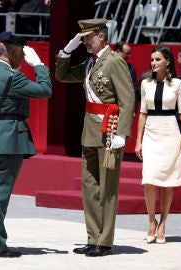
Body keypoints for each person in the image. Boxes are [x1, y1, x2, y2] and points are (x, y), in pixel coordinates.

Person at [55, 19, 135, 257]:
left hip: (109, 131)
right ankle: (92, 237)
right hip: (89, 132)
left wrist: (122, 132)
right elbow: (62, 75)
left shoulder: (114, 61)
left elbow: (127, 99)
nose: (85, 41)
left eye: (88, 37)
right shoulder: (90, 63)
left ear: (101, 36)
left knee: (107, 188)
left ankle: (105, 240)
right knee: (89, 187)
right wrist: (66, 51)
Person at [0, 31, 51, 257]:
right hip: (7, 141)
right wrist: (39, 66)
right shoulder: (12, 77)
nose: (22, 59)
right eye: (21, 54)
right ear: (15, 53)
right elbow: (45, 90)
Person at [134, 46, 181, 244]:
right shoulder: (145, 83)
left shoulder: (177, 83)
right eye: (152, 59)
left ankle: (163, 223)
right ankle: (151, 220)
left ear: (167, 61)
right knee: (148, 179)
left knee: (168, 182)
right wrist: (138, 140)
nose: (153, 63)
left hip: (170, 133)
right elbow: (142, 112)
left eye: (158, 59)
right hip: (151, 132)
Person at [114, 41, 139, 110]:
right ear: (118, 51)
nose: (129, 56)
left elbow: (134, 90)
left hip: (124, 109)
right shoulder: (107, 65)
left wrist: (134, 109)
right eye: (127, 53)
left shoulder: (130, 68)